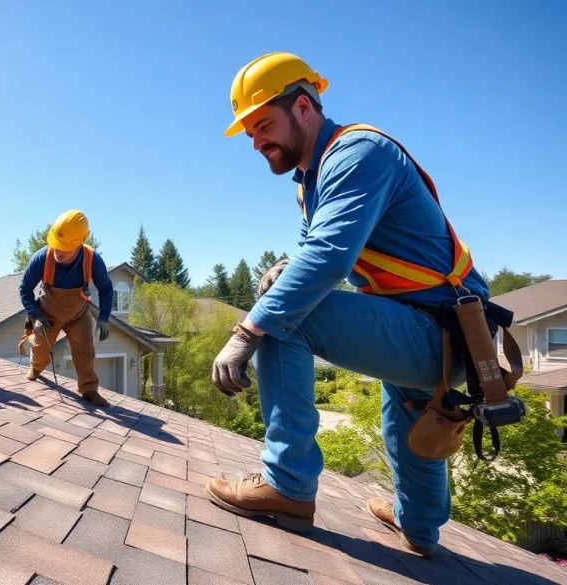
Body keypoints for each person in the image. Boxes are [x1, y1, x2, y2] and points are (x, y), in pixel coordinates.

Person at [206, 52, 493, 556]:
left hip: (440, 331)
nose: (256, 142)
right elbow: (316, 249)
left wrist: (246, 333)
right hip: (429, 327)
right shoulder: (313, 180)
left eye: (262, 125)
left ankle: (288, 486)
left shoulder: (358, 153)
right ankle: (419, 527)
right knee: (408, 413)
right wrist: (287, 266)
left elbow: (329, 257)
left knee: (284, 316)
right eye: (249, 133)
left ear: (302, 107)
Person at [19, 210, 113, 407]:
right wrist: (34, 316)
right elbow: (25, 288)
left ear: (80, 242)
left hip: (79, 315)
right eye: (55, 244)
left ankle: (89, 389)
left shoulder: (92, 259)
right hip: (47, 315)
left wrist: (104, 318)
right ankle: (35, 368)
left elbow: (105, 288)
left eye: (63, 247)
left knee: (85, 350)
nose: (57, 251)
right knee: (41, 350)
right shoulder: (42, 258)